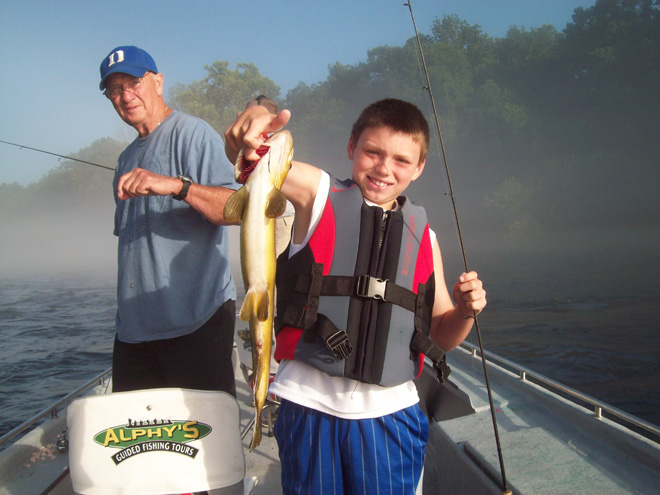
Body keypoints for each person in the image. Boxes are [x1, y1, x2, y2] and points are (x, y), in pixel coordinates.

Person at [225, 98, 487, 494]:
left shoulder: (425, 237)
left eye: (401, 160)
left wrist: (467, 311)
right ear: (352, 148)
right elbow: (258, 163)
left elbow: (441, 334)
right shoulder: (317, 195)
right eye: (372, 152)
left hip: (391, 416)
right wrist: (250, 140)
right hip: (310, 407)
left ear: (418, 168)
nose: (384, 168)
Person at [99, 45, 239, 397]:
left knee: (202, 443)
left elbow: (236, 208)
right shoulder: (125, 158)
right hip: (133, 333)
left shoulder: (194, 134)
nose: (125, 95)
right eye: (114, 89)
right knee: (139, 444)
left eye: (133, 82)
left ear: (158, 82)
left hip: (197, 322)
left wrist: (176, 185)